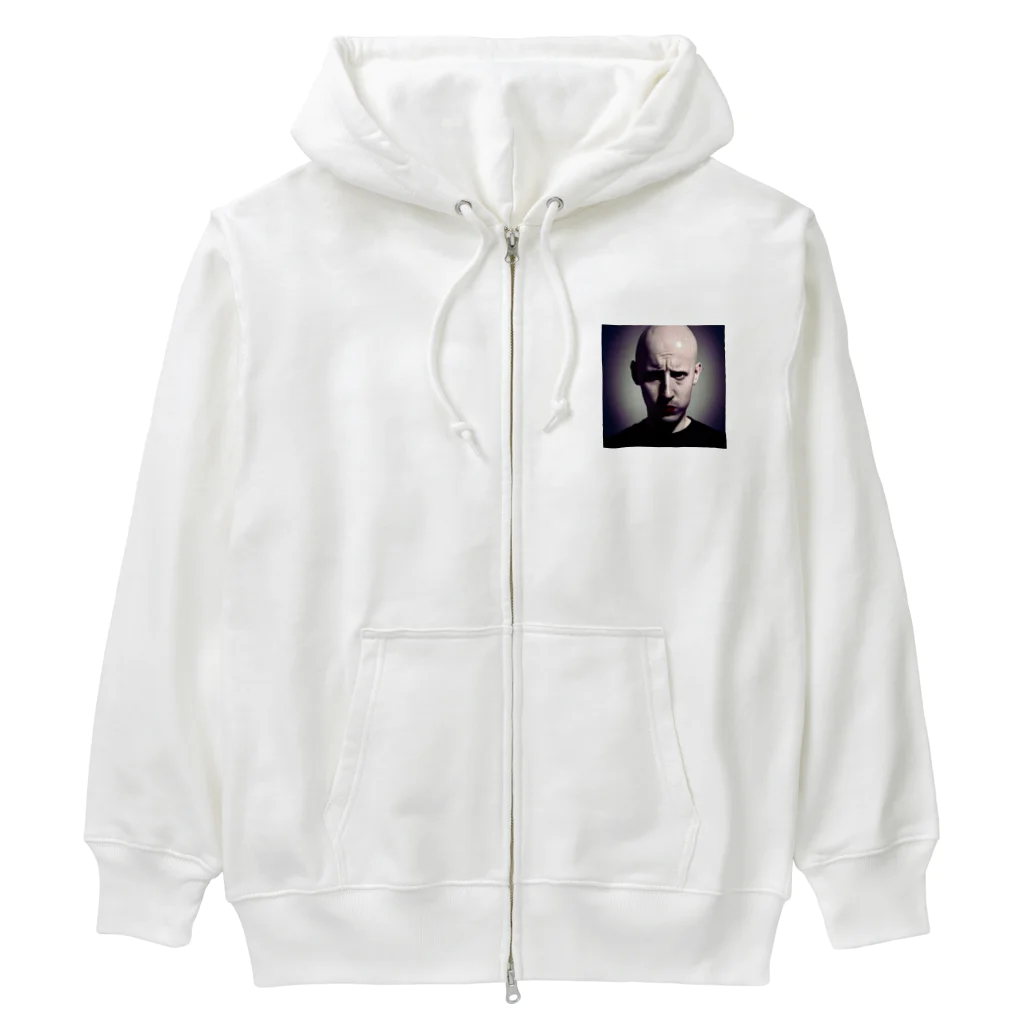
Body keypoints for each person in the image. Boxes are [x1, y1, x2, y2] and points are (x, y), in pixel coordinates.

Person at [604, 325, 727, 448]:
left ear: (696, 374)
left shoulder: (719, 446)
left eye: (678, 374)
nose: (667, 394)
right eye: (654, 375)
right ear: (636, 374)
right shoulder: (615, 448)